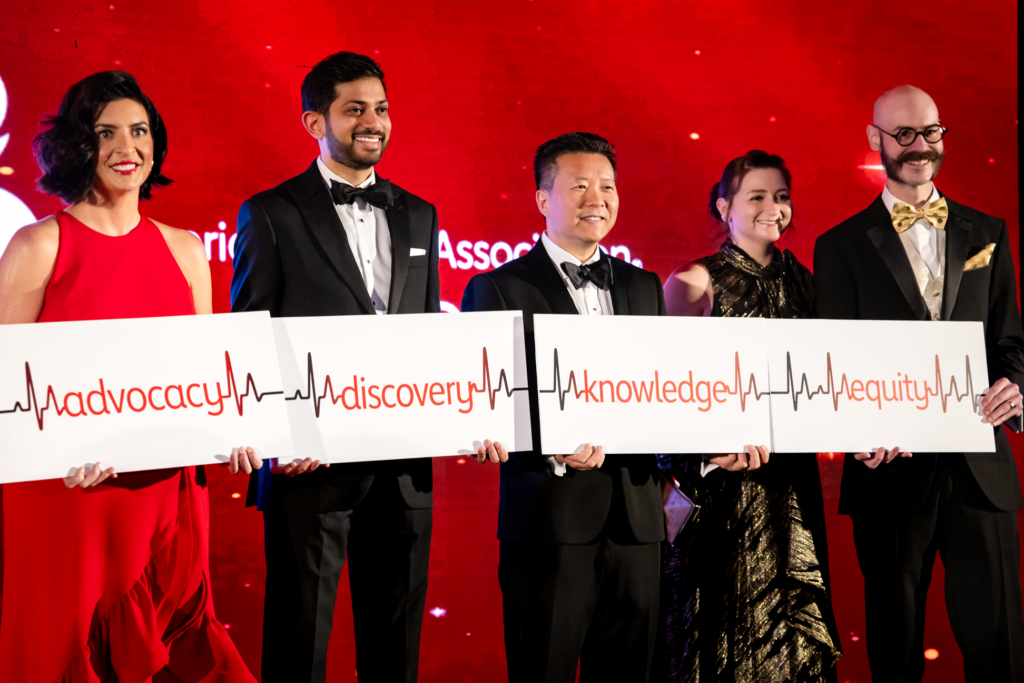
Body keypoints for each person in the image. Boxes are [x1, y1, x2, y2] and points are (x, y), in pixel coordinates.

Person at [0, 71, 258, 681]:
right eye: (107, 133)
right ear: (78, 145)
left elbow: (207, 377)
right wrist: (59, 450)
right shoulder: (37, 244)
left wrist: (239, 427)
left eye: (139, 132)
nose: (128, 149)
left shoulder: (186, 249)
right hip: (69, 500)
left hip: (164, 496)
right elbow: (7, 387)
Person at [230, 51, 440, 683]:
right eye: (354, 109)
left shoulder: (420, 213)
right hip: (309, 463)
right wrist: (280, 436)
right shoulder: (272, 211)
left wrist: (459, 416)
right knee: (300, 643)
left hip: (402, 466)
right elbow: (252, 335)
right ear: (313, 121)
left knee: (395, 648)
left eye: (380, 108)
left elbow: (428, 335)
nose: (372, 121)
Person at [814, 85, 1024, 683]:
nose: (919, 147)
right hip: (889, 475)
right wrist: (856, 427)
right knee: (894, 645)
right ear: (874, 140)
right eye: (902, 134)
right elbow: (833, 359)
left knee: (1000, 642)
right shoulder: (839, 246)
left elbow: (1013, 340)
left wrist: (1018, 387)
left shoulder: (989, 232)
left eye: (930, 132)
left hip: (979, 467)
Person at [462, 132, 665, 683]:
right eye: (579, 186)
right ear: (542, 199)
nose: (596, 198)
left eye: (607, 186)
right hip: (549, 521)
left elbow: (663, 391)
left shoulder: (645, 287)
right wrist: (549, 445)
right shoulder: (497, 288)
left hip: (637, 522)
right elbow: (485, 401)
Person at [656, 150, 841, 682]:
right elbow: (665, 389)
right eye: (756, 196)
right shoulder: (695, 281)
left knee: (794, 629)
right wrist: (709, 448)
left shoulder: (809, 283)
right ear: (724, 207)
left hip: (790, 485)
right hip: (725, 490)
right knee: (722, 628)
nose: (773, 208)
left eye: (781, 196)